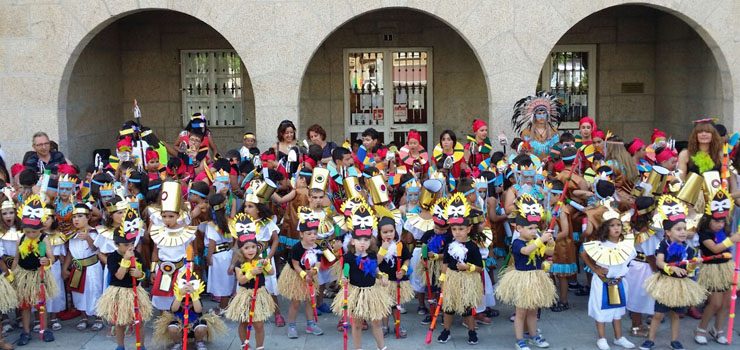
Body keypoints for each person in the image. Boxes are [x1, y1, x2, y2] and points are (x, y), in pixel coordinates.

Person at [640, 195, 707, 350]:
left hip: (680, 285)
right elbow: (659, 262)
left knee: (676, 315)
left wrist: (693, 264)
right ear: (668, 232)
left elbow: (689, 269)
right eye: (678, 229)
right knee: (658, 314)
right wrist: (671, 268)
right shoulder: (663, 245)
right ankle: (650, 339)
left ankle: (675, 340)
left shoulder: (688, 248)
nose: (683, 232)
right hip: (665, 283)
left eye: (684, 229)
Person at [495, 194, 556, 350]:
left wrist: (550, 243)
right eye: (530, 228)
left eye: (535, 228)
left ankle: (533, 335)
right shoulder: (517, 242)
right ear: (519, 228)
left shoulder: (535, 241)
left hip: (536, 278)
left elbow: (547, 253)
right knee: (521, 312)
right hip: (523, 279)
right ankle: (519, 339)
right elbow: (527, 251)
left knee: (533, 311)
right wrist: (540, 240)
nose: (534, 231)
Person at [331, 203, 393, 350]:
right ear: (353, 241)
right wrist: (343, 280)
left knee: (376, 323)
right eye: (359, 240)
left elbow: (375, 270)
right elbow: (344, 275)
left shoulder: (372, 255)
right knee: (357, 324)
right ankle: (357, 348)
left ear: (370, 240)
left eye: (366, 240)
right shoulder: (349, 258)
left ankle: (382, 348)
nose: (363, 243)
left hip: (372, 292)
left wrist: (382, 276)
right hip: (355, 292)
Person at [95, 208, 153, 350]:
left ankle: (141, 345)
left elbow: (142, 274)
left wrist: (139, 274)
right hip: (120, 292)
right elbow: (119, 276)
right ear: (117, 244)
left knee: (139, 321)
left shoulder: (137, 254)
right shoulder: (113, 258)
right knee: (120, 322)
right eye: (126, 245)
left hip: (135, 292)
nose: (130, 247)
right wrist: (126, 261)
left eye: (132, 244)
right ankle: (120, 346)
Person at [581, 207, 636, 350]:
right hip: (602, 282)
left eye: (618, 225)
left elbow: (629, 259)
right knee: (602, 310)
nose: (616, 228)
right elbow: (584, 254)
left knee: (617, 311)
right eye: (612, 225)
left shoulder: (626, 245)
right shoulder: (599, 244)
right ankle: (602, 338)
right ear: (606, 228)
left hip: (619, 282)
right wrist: (595, 269)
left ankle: (619, 337)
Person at [435, 193, 483, 345]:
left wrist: (468, 267)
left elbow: (480, 268)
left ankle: (472, 331)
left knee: (467, 309)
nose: (457, 232)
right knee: (448, 307)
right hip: (452, 279)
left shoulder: (473, 247)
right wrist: (443, 279)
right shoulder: (449, 245)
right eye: (454, 229)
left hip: (467, 280)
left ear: (469, 229)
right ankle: (446, 330)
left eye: (461, 228)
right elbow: (446, 262)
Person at [224, 213, 276, 350]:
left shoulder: (260, 260)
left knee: (259, 324)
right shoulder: (239, 263)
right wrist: (251, 273)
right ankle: (244, 344)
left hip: (259, 293)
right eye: (246, 248)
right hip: (245, 293)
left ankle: (260, 347)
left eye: (253, 247)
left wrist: (267, 265)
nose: (251, 250)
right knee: (243, 322)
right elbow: (241, 279)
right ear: (241, 249)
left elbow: (272, 273)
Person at [13, 195, 59, 345]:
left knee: (41, 304)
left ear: (40, 229)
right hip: (24, 275)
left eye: (34, 232)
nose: (31, 235)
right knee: (25, 305)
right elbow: (16, 259)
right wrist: (12, 276)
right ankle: (26, 332)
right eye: (27, 232)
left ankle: (44, 329)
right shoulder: (20, 238)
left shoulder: (43, 239)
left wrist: (47, 261)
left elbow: (52, 257)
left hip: (39, 275)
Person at [694, 189, 739, 345]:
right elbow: (715, 249)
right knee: (715, 303)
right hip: (712, 270)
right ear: (708, 220)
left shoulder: (724, 230)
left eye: (722, 221)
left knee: (727, 303)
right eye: (716, 221)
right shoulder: (704, 233)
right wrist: (733, 239)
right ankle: (701, 329)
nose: (720, 224)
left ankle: (718, 330)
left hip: (726, 268)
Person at [277, 206, 325, 339]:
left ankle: (311, 324)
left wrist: (314, 271)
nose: (313, 236)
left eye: (315, 233)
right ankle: (291, 325)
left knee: (310, 300)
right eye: (309, 234)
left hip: (310, 275)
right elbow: (295, 264)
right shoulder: (297, 248)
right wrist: (304, 275)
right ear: (301, 234)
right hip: (297, 275)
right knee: (296, 302)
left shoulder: (317, 247)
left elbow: (319, 261)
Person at [153, 273, 226, 350]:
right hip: (180, 323)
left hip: (194, 323)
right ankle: (178, 342)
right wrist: (180, 296)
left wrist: (194, 295)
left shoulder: (196, 296)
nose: (186, 304)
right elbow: (173, 309)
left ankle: (198, 341)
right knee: (172, 328)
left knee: (202, 327)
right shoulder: (178, 295)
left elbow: (198, 310)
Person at [65, 203, 104, 331]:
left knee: (94, 290)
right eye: (74, 216)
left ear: (88, 217)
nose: (76, 219)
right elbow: (70, 253)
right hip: (78, 268)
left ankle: (98, 317)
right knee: (79, 293)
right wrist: (64, 268)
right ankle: (84, 317)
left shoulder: (95, 232)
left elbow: (96, 248)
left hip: (92, 267)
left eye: (80, 216)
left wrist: (88, 238)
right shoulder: (71, 234)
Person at [377, 216, 412, 338]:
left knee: (396, 305)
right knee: (385, 305)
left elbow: (407, 259)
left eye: (391, 231)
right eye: (385, 232)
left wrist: (403, 270)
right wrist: (383, 249)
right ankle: (385, 326)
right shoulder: (377, 245)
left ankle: (398, 324)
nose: (388, 234)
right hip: (383, 281)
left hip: (397, 280)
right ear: (379, 233)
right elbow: (375, 262)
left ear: (395, 231)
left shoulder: (400, 245)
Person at [511, 92, 562, 159]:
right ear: (534, 116)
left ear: (548, 115)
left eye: (544, 113)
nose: (542, 116)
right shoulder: (526, 133)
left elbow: (558, 150)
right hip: (532, 166)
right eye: (539, 113)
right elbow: (523, 152)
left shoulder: (554, 131)